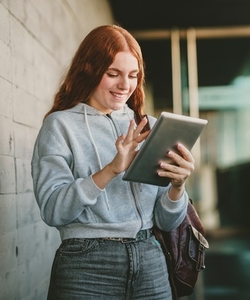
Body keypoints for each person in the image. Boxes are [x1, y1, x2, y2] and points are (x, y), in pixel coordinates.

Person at [31, 24, 194, 300]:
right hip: (86, 265)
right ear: (89, 70)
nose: (125, 85)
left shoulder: (148, 127)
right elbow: (53, 209)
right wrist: (110, 171)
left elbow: (166, 223)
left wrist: (178, 186)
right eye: (113, 74)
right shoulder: (60, 126)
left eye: (133, 75)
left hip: (150, 262)